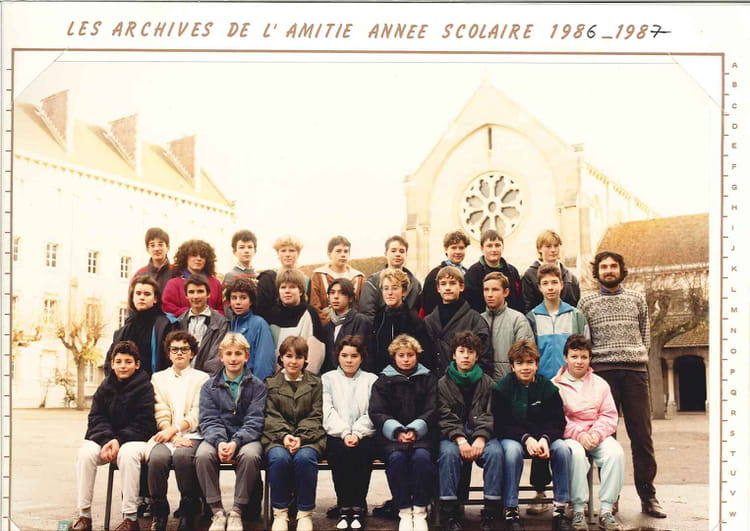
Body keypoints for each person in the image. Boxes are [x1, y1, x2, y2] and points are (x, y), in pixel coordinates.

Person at [577, 251, 666, 519]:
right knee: (606, 439)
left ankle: (648, 497)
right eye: (603, 266)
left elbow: (645, 336)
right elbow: (584, 339)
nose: (608, 270)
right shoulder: (586, 302)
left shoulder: (637, 298)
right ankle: (610, 498)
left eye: (613, 266)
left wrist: (635, 357)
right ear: (597, 272)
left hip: (635, 373)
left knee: (642, 436)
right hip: (603, 374)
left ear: (621, 270)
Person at [525, 264, 589, 513]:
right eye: (545, 283)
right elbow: (529, 353)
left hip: (571, 384)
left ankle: (572, 495)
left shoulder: (576, 315)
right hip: (542, 385)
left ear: (562, 284)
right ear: (539, 287)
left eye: (554, 282)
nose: (550, 287)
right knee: (542, 432)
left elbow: (584, 348)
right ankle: (540, 492)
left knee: (569, 439)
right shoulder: (532, 317)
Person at [72, 341, 156, 531]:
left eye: (128, 361)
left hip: (135, 440)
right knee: (85, 453)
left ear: (137, 364)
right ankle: (84, 515)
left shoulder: (145, 387)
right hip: (107, 439)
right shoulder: (105, 386)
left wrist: (119, 440)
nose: (123, 366)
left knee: (127, 454)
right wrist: (107, 439)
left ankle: (130, 518)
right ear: (112, 364)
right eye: (118, 361)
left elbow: (144, 423)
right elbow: (96, 417)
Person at [492, 339, 571, 531]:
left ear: (537, 364)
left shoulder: (548, 388)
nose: (525, 367)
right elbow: (501, 423)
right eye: (519, 363)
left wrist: (545, 438)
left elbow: (558, 421)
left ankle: (560, 510)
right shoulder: (502, 388)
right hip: (514, 438)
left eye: (530, 362)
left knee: (562, 449)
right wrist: (526, 438)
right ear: (512, 366)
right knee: (512, 452)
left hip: (543, 438)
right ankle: (511, 510)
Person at [552, 335, 625, 531]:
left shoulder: (600, 384)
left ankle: (606, 510)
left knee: (615, 453)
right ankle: (577, 510)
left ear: (590, 359)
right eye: (574, 356)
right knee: (575, 454)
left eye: (584, 357)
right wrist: (579, 435)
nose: (579, 361)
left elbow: (609, 415)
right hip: (570, 436)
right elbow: (556, 418)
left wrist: (596, 434)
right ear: (565, 358)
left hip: (595, 434)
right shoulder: (555, 385)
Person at [195, 333, 267, 531]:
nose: (233, 358)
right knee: (202, 455)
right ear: (221, 357)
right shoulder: (209, 386)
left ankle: (237, 511)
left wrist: (236, 441)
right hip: (217, 437)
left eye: (238, 353)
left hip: (246, 438)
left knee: (250, 456)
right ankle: (217, 511)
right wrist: (219, 442)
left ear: (246, 357)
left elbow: (255, 420)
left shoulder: (257, 386)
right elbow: (208, 419)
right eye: (229, 354)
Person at [369, 334, 438, 531]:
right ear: (394, 357)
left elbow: (433, 408)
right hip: (392, 438)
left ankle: (420, 510)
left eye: (410, 355)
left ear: (417, 356)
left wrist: (416, 429)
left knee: (422, 459)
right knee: (397, 459)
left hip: (422, 437)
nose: (406, 359)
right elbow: (377, 411)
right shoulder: (383, 381)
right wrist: (397, 430)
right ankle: (405, 511)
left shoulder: (428, 378)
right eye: (401, 355)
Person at [437, 331, 502, 531]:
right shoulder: (442, 383)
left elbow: (492, 413)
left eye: (471, 352)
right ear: (453, 355)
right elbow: (443, 415)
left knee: (495, 453)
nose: (466, 356)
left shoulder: (488, 383)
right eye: (461, 351)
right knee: (448, 454)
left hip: (482, 435)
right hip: (453, 437)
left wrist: (481, 437)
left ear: (477, 356)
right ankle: (449, 511)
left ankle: (491, 511)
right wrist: (459, 438)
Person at [146, 331, 210, 531]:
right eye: (174, 349)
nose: (179, 353)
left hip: (192, 434)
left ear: (192, 353)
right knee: (156, 459)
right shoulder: (158, 378)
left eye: (184, 349)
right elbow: (160, 409)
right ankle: (159, 511)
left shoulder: (202, 378)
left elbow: (198, 411)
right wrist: (171, 434)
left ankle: (188, 511)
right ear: (168, 353)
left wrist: (176, 430)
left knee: (183, 457)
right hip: (166, 434)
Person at [263, 336, 326, 531]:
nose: (293, 361)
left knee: (305, 458)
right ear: (281, 358)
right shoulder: (270, 384)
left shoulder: (315, 383)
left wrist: (301, 437)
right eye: (288, 356)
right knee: (278, 458)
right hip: (277, 438)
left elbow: (316, 415)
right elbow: (269, 415)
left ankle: (304, 513)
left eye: (298, 357)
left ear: (305, 360)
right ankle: (280, 513)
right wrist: (284, 436)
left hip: (309, 438)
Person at [322, 335, 379, 530]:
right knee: (339, 452)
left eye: (354, 356)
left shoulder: (371, 380)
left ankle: (358, 506)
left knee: (362, 452)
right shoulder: (328, 379)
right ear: (337, 356)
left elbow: (372, 411)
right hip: (337, 434)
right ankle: (344, 505)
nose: (349, 360)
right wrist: (345, 432)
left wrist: (357, 433)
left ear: (361, 358)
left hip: (364, 434)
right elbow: (327, 411)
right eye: (344, 355)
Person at [424, 266, 492, 377]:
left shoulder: (475, 320)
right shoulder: (429, 321)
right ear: (438, 288)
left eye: (452, 283)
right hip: (435, 383)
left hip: (465, 381)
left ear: (461, 287)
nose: (447, 288)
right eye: (443, 284)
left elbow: (485, 359)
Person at [106, 275, 178, 376]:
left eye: (147, 294)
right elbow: (110, 362)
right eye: (138, 293)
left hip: (155, 382)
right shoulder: (125, 329)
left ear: (155, 299)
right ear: (132, 297)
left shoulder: (166, 325)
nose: (142, 297)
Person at [368, 268, 434, 374]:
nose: (389, 293)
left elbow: (424, 355)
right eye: (386, 288)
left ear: (404, 291)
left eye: (394, 288)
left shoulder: (413, 321)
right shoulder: (379, 318)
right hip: (382, 375)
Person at [265, 268, 327, 373]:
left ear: (301, 291)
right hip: (275, 378)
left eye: (292, 287)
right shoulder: (271, 315)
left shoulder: (309, 313)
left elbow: (316, 354)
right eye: (283, 287)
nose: (287, 291)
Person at [481, 272, 534, 380]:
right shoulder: (478, 319)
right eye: (486, 290)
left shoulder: (518, 320)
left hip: (510, 383)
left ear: (506, 292)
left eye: (495, 289)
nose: (489, 294)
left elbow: (526, 356)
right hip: (483, 384)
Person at [225, 277, 277, 382]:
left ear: (251, 301)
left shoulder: (259, 324)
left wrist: (256, 386)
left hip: (251, 383)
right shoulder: (230, 323)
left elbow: (264, 362)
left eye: (243, 298)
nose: (238, 302)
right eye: (234, 298)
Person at [359, 235, 422, 320]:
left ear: (406, 254)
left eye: (402, 251)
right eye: (393, 251)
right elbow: (367, 314)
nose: (397, 254)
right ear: (386, 254)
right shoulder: (372, 282)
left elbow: (417, 312)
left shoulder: (415, 284)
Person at [176, 275, 229, 375]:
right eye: (191, 292)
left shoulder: (221, 323)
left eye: (200, 291)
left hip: (209, 379)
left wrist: (203, 379)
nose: (196, 296)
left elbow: (218, 357)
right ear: (186, 295)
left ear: (208, 294)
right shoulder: (179, 322)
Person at [309, 235, 366, 325]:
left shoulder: (358, 278)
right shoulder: (319, 275)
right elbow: (315, 306)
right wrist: (327, 326)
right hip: (325, 326)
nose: (343, 255)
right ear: (329, 254)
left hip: (352, 326)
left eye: (346, 251)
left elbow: (363, 306)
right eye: (338, 251)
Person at [521, 230, 580, 313]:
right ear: (539, 249)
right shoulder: (530, 276)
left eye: (556, 246)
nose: (553, 250)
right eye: (548, 246)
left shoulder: (570, 277)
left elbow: (576, 306)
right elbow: (527, 306)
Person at [464, 229, 523, 313]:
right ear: (482, 248)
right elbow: (471, 302)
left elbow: (518, 300)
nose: (494, 249)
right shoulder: (473, 272)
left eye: (497, 245)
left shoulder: (512, 271)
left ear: (503, 247)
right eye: (489, 246)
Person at [320, 278, 372, 373]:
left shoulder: (361, 321)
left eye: (342, 293)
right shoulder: (328, 326)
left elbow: (366, 356)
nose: (336, 297)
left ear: (350, 298)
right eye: (332, 292)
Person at [162, 239, 224, 316]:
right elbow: (167, 308)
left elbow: (221, 310)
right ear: (185, 258)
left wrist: (209, 315)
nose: (199, 259)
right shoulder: (174, 283)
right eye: (194, 255)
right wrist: (193, 313)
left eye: (202, 256)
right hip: (181, 323)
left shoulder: (215, 283)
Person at [255, 235, 309, 318]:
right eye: (283, 251)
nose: (287, 254)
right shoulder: (269, 278)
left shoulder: (306, 280)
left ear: (298, 253)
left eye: (291, 250)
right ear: (278, 254)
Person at [420, 230, 470, 317]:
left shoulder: (468, 273)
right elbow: (428, 305)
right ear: (446, 249)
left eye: (461, 248)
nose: (458, 251)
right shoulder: (434, 274)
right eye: (453, 248)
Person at [132, 227, 177, 293]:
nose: (156, 249)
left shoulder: (176, 272)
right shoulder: (140, 274)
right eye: (152, 245)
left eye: (160, 245)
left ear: (168, 247)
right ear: (147, 249)